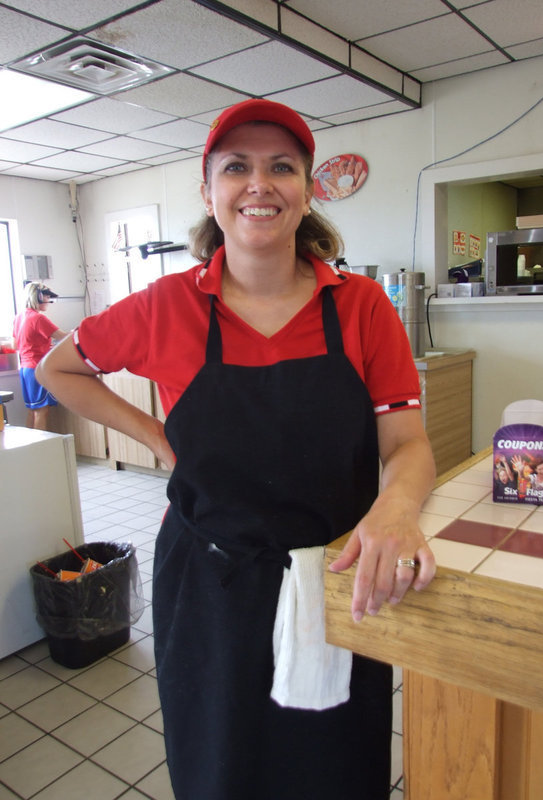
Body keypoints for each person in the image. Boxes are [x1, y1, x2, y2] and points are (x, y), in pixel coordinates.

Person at [36, 98, 436, 800]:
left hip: (333, 580)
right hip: (208, 583)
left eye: (281, 167)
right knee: (223, 767)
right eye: (237, 168)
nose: (260, 183)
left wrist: (398, 509)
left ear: (308, 191)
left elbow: (407, 443)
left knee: (335, 767)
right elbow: (56, 369)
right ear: (209, 192)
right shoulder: (165, 305)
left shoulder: (362, 306)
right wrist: (155, 437)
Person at [12, 282, 68, 430]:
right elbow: (63, 337)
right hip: (38, 368)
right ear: (38, 297)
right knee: (42, 411)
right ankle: (40, 447)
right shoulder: (38, 318)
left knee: (32, 410)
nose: (49, 301)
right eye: (47, 297)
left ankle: (30, 449)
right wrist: (81, 331)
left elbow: (14, 345)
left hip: (25, 370)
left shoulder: (19, 317)